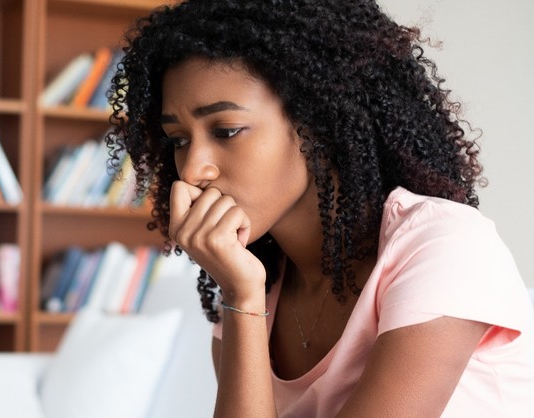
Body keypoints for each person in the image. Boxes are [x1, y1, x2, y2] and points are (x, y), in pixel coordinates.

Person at [104, 0, 534, 416]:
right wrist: (240, 295)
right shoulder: (251, 288)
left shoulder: (444, 246)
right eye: (179, 140)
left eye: (227, 130)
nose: (194, 170)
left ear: (319, 122)